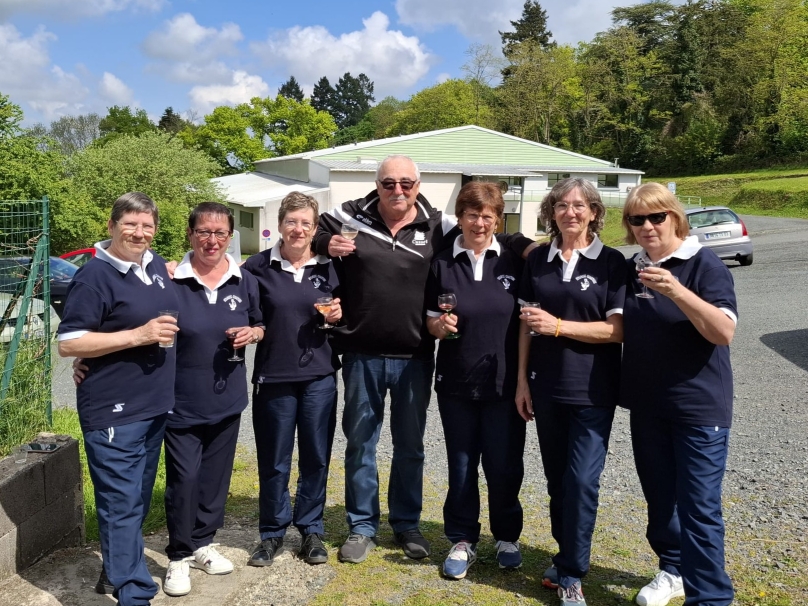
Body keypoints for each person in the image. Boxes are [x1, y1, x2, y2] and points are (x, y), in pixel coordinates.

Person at [313, 155, 536, 564]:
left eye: (407, 183)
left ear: (418, 185)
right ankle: (362, 526)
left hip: (415, 355)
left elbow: (498, 235)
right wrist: (321, 242)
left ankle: (406, 524)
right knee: (361, 444)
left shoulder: (439, 226)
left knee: (410, 446)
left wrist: (535, 248)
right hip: (362, 353)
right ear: (376, 185)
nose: (398, 190)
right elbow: (305, 228)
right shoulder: (349, 218)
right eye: (389, 183)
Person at [58, 192, 180, 606]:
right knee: (121, 504)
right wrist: (138, 335)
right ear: (111, 226)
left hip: (153, 406)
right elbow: (70, 342)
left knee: (136, 499)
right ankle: (135, 593)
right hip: (114, 410)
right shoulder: (94, 276)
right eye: (130, 223)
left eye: (147, 225)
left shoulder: (155, 266)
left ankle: (113, 571)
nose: (139, 232)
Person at [620, 182, 736, 606]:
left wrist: (677, 291)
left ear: (676, 216)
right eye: (637, 219)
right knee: (660, 502)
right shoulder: (632, 269)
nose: (648, 226)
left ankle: (711, 597)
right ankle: (673, 569)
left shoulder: (704, 264)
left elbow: (723, 332)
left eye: (657, 216)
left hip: (699, 407)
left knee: (699, 508)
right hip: (648, 406)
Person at [515, 177, 625, 606]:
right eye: (562, 205)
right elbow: (526, 322)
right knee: (557, 482)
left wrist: (559, 327)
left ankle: (574, 574)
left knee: (581, 482)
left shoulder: (612, 262)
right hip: (545, 387)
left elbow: (616, 330)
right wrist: (523, 380)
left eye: (579, 206)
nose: (570, 213)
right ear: (552, 212)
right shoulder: (538, 259)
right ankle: (565, 560)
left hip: (592, 390)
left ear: (594, 212)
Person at [424, 182, 526, 580]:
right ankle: (462, 538)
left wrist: (523, 381)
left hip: (503, 383)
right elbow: (431, 321)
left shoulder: (514, 260)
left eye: (487, 216)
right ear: (460, 216)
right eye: (471, 214)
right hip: (455, 382)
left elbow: (527, 324)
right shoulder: (443, 262)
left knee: (504, 465)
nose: (479, 222)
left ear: (497, 219)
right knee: (462, 465)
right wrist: (438, 325)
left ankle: (507, 537)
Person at [161, 202, 263, 596]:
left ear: (230, 237)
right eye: (204, 231)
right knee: (183, 480)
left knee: (215, 480)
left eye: (220, 233)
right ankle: (178, 555)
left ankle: (203, 544)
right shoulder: (170, 278)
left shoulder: (243, 278)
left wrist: (254, 334)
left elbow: (259, 323)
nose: (212, 240)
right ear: (190, 234)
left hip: (227, 397)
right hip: (180, 400)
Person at [243, 192, 342, 567]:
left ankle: (312, 528)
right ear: (280, 224)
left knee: (316, 456)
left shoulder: (330, 268)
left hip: (319, 376)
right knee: (274, 459)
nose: (298, 229)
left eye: (306, 223)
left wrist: (337, 317)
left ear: (315, 229)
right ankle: (271, 533)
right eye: (291, 221)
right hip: (274, 376)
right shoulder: (257, 267)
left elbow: (347, 315)